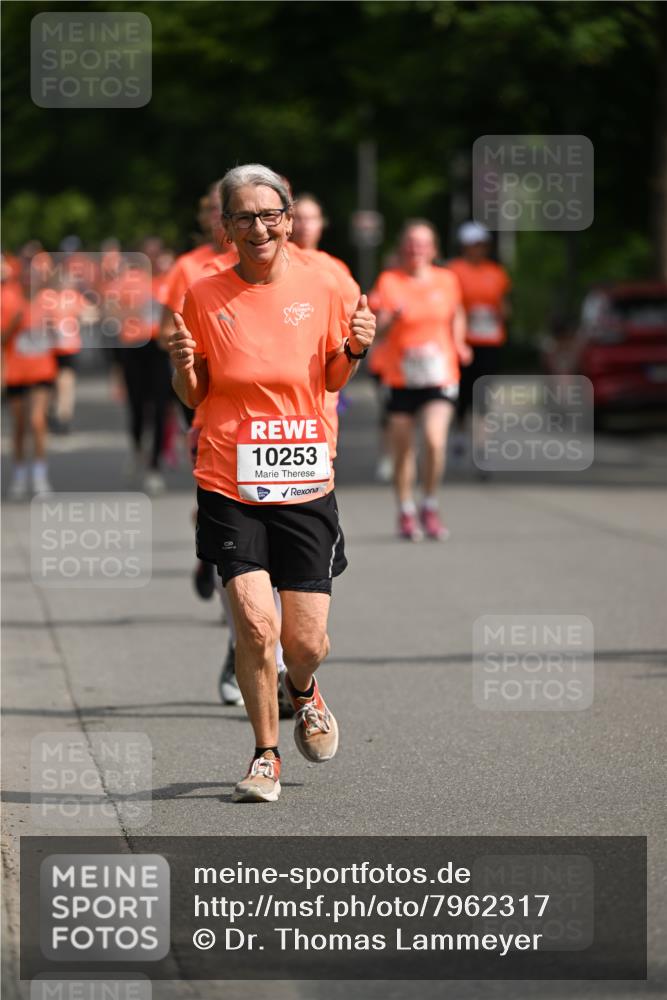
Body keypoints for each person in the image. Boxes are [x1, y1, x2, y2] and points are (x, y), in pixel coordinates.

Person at [168, 163, 375, 803]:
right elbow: (194, 393)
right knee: (256, 628)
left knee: (303, 641)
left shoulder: (327, 283)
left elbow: (333, 379)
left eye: (269, 215)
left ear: (287, 218)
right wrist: (181, 367)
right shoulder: (203, 295)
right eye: (243, 218)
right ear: (225, 227)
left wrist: (357, 349)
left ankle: (305, 689)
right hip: (229, 477)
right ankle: (265, 756)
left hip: (306, 478)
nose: (258, 227)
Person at [369, 219, 469, 541]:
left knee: (434, 439)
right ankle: (406, 510)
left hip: (440, 374)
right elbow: (378, 332)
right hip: (401, 377)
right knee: (404, 449)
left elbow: (458, 313)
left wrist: (460, 341)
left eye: (423, 243)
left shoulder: (447, 279)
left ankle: (429, 502)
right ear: (402, 248)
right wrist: (392, 319)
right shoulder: (389, 281)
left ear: (433, 248)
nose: (417, 249)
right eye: (411, 243)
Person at [448, 221, 511, 457]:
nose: (479, 249)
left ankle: (482, 445)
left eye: (482, 244)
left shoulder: (496, 273)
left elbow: (504, 304)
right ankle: (460, 435)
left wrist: (501, 313)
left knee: (483, 397)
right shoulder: (454, 271)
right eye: (474, 244)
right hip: (462, 343)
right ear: (465, 246)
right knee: (462, 396)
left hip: (489, 342)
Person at [2, 253, 57, 497]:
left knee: (37, 421)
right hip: (16, 372)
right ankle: (20, 475)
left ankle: (40, 476)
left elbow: (59, 335)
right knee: (20, 426)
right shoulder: (7, 298)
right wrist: (15, 322)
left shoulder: (48, 301)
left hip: (42, 371)